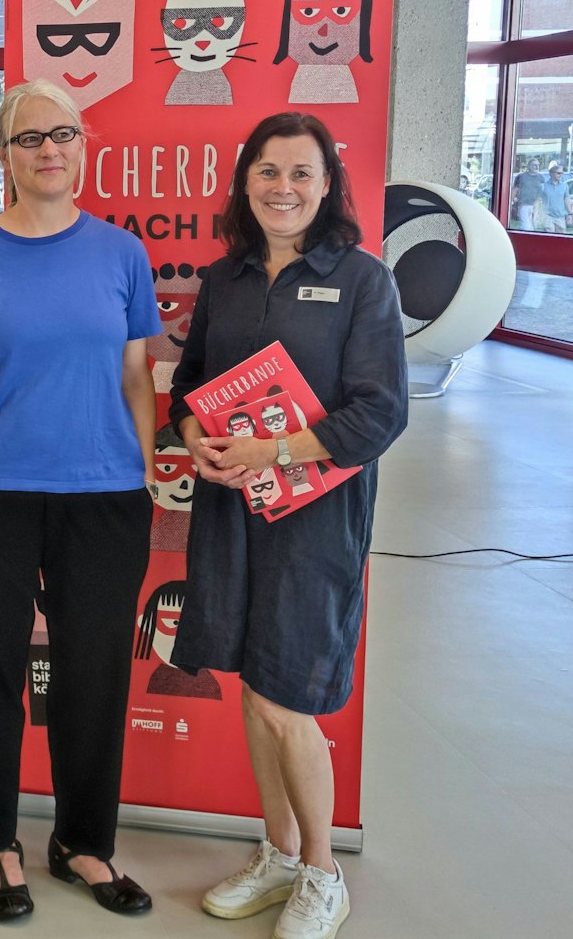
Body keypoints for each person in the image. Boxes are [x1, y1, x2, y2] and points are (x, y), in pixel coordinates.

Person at [0, 78, 159, 924]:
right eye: (29, 138)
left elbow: (136, 376)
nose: (49, 150)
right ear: (6, 156)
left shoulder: (122, 254)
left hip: (104, 496)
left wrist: (147, 466)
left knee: (93, 675)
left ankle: (84, 841)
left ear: (85, 144)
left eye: (64, 134)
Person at [169, 112, 407, 939]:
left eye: (301, 173)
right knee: (250, 680)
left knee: (285, 696)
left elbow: (381, 411)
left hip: (317, 518)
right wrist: (197, 437)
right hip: (233, 511)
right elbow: (188, 387)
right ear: (245, 182)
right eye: (267, 171)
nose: (283, 188)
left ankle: (323, 870)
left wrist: (277, 445)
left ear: (329, 183)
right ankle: (276, 852)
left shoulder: (365, 280)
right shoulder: (227, 278)